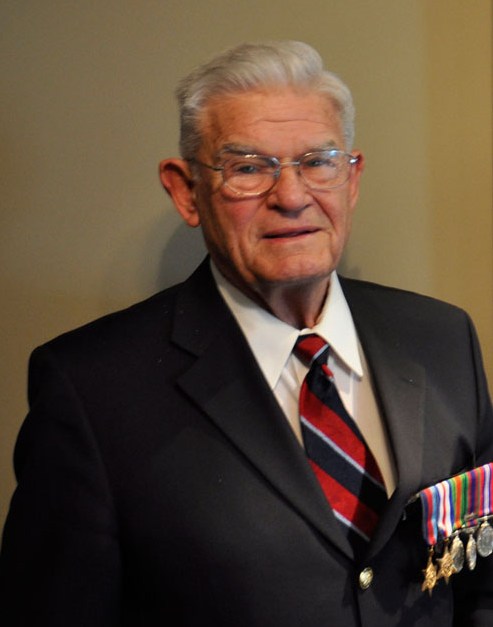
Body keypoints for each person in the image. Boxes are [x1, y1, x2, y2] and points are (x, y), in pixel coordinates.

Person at [1, 40, 492, 627]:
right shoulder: (91, 390)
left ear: (351, 178)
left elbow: (480, 581)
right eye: (249, 168)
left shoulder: (442, 339)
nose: (290, 196)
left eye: (317, 161)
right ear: (186, 191)